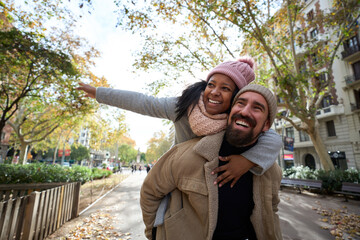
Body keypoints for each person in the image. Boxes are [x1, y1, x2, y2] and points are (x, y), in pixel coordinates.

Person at [76, 57, 282, 187]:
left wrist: (247, 161)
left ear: (236, 97)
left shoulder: (237, 117)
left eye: (225, 88)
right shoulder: (185, 106)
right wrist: (99, 93)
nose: (215, 92)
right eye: (211, 84)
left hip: (214, 185)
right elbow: (143, 102)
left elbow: (272, 137)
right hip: (179, 180)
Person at [140, 84, 282, 240]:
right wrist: (153, 234)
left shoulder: (270, 171)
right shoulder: (187, 154)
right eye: (240, 103)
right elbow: (150, 192)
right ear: (229, 112)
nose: (245, 111)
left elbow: (271, 209)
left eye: (257, 108)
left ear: (267, 125)